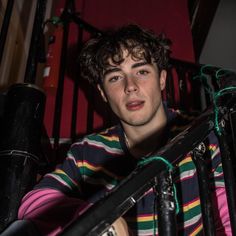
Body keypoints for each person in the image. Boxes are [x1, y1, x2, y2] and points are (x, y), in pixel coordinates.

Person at [18, 24, 231, 235]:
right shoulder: (87, 152)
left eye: (142, 71)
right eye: (115, 77)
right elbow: (35, 202)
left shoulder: (202, 131)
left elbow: (226, 204)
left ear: (162, 79)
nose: (130, 86)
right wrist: (95, 218)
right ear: (103, 93)